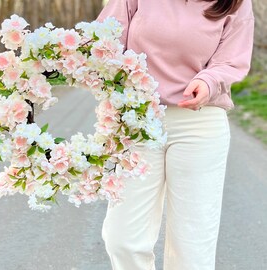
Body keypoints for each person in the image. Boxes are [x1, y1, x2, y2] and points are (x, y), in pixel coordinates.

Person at [96, 0, 255, 269]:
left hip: (199, 122)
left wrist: (208, 81)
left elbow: (231, 60)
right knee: (122, 239)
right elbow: (102, 38)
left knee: (192, 248)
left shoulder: (237, 3)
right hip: (138, 122)